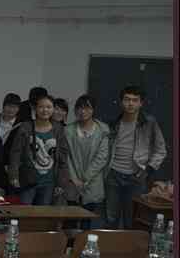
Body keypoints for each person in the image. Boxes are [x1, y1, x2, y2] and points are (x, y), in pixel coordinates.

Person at [104, 85, 166, 228]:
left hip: (136, 177)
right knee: (111, 218)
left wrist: (148, 170)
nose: (130, 103)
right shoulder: (113, 122)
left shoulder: (149, 122)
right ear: (121, 102)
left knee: (132, 219)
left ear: (141, 103)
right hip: (113, 174)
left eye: (135, 100)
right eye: (127, 99)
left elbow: (161, 149)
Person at [8, 94, 70, 206]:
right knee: (23, 211)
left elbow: (63, 158)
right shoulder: (26, 127)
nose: (45, 110)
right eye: (41, 107)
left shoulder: (58, 129)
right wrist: (14, 176)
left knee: (43, 213)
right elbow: (16, 153)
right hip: (27, 180)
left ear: (53, 109)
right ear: (35, 109)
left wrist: (61, 182)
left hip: (49, 182)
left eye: (49, 107)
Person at [65, 95, 110, 228]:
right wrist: (74, 179)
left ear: (93, 110)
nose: (83, 111)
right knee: (71, 219)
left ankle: (84, 241)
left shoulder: (103, 130)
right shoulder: (68, 130)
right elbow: (66, 157)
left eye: (87, 108)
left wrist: (85, 178)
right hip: (72, 181)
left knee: (87, 219)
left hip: (93, 180)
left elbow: (102, 157)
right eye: (79, 108)